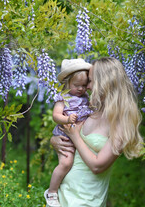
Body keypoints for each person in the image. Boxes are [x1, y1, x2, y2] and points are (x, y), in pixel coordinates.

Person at [50, 57, 144, 207]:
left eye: (90, 81)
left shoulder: (120, 122)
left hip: (86, 200)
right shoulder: (90, 110)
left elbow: (97, 166)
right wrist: (54, 141)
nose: (86, 87)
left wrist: (75, 137)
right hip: (63, 194)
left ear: (104, 83)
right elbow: (67, 131)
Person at [44, 58, 93, 207]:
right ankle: (52, 192)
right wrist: (67, 119)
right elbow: (55, 116)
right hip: (65, 135)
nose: (80, 89)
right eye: (76, 85)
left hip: (80, 135)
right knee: (66, 163)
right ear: (66, 84)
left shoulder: (85, 97)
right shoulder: (63, 97)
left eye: (84, 86)